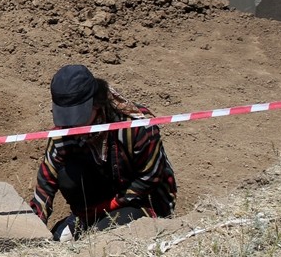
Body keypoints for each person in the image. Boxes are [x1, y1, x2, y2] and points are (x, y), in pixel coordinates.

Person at [30, 64, 177, 241]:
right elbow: (47, 181)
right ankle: (88, 219)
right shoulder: (64, 133)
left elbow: (150, 177)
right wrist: (33, 228)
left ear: (96, 103)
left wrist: (110, 205)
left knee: (95, 239)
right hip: (97, 203)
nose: (73, 126)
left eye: (78, 118)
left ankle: (99, 221)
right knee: (57, 238)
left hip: (141, 201)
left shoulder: (136, 126)